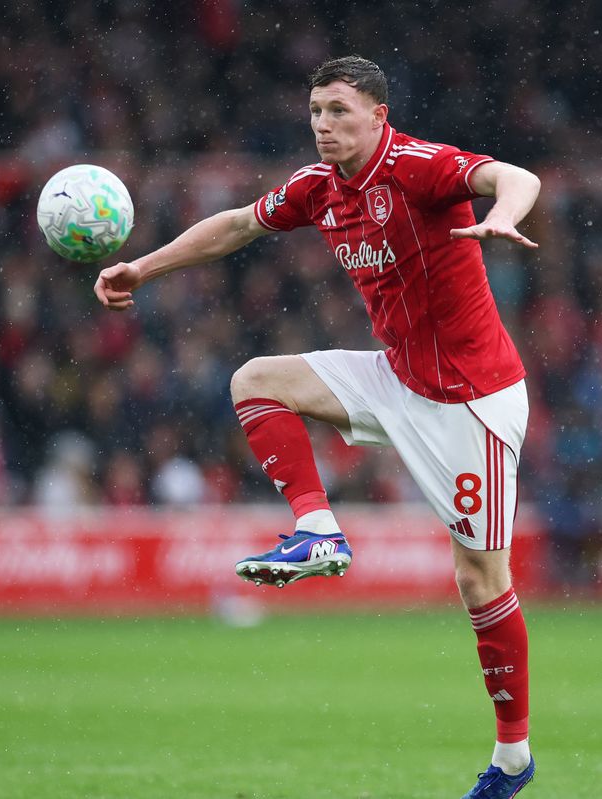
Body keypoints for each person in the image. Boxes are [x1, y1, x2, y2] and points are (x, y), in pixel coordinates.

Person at [95, 56, 541, 798]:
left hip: (473, 399)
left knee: (479, 577)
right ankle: (319, 528)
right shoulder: (318, 188)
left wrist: (502, 216)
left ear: (377, 114)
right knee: (256, 380)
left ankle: (513, 759)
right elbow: (238, 224)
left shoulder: (421, 168)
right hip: (397, 376)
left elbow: (515, 176)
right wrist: (143, 268)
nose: (324, 126)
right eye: (315, 112)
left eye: (338, 111)